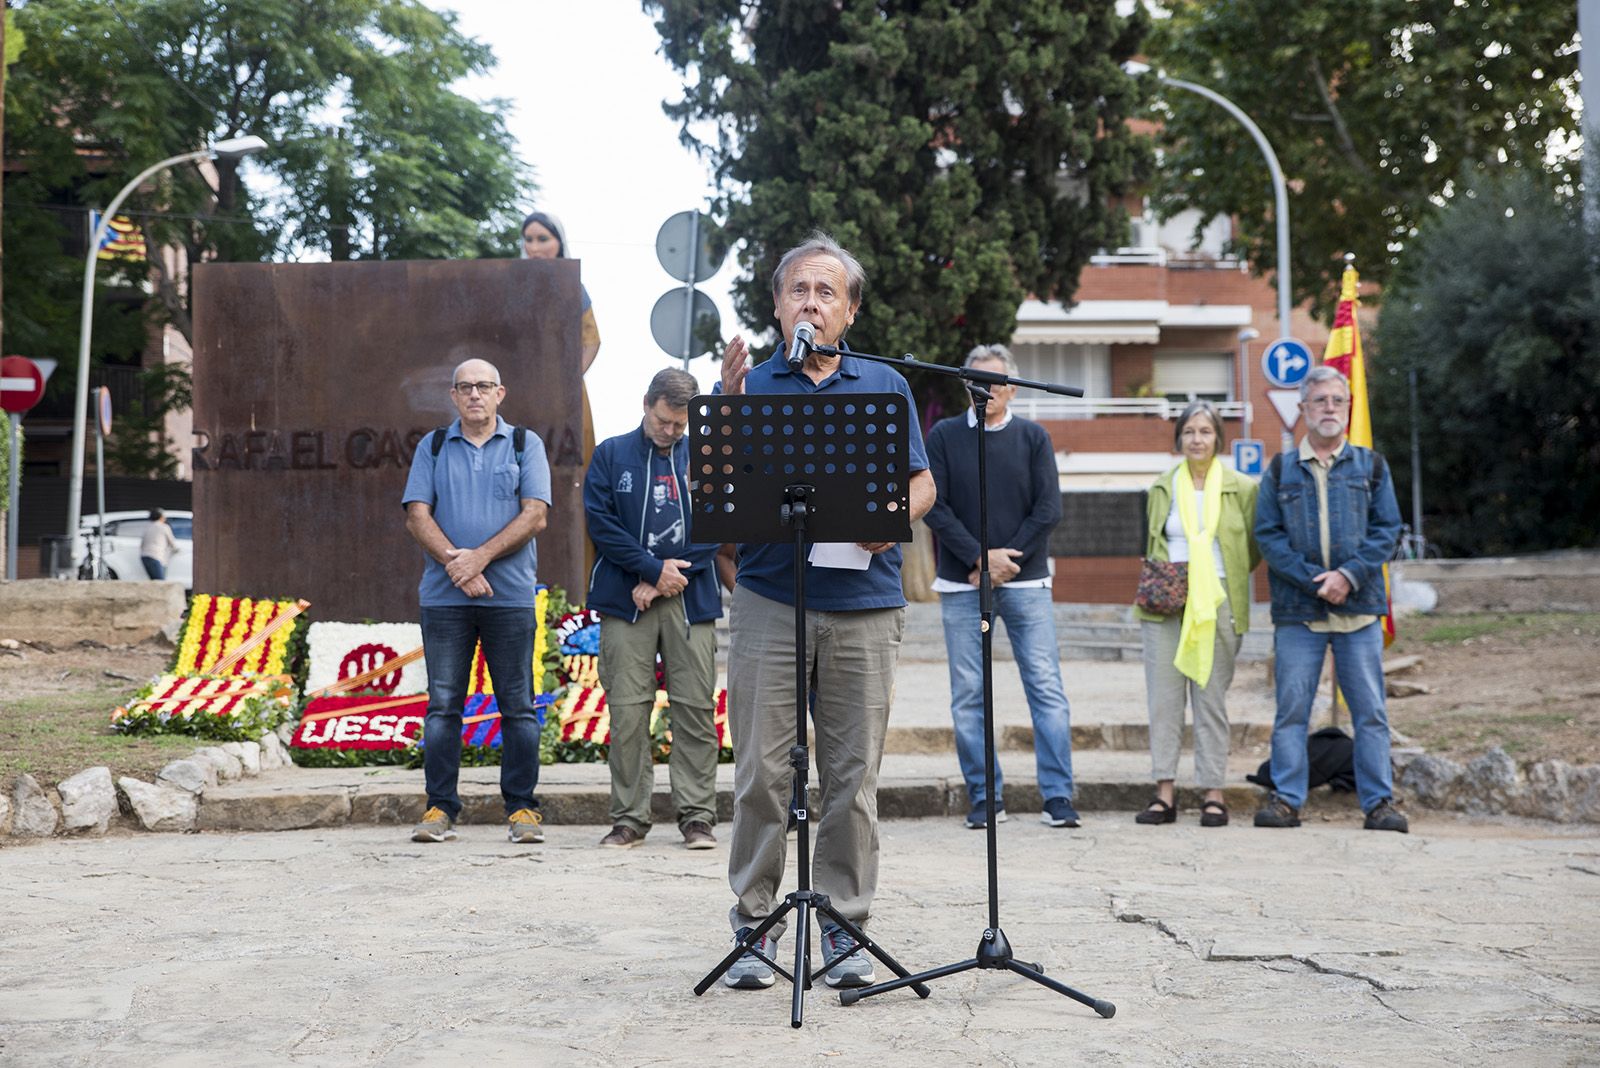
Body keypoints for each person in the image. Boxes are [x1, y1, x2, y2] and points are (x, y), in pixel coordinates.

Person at [716, 232, 936, 991]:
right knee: (760, 775)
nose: (811, 303)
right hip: (771, 599)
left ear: (850, 310)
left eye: (826, 292)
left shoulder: (884, 384)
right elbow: (716, 494)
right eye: (797, 291)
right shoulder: (752, 385)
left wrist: (891, 518)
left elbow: (923, 483)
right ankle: (754, 929)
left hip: (865, 606)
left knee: (851, 776)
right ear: (777, 306)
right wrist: (729, 410)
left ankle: (843, 930)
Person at [923, 344, 1078, 831]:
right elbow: (933, 504)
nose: (986, 390)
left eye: (995, 382)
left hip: (1026, 580)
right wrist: (978, 558)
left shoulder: (1034, 437)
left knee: (1046, 687)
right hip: (962, 582)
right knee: (969, 693)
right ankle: (985, 796)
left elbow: (1048, 509)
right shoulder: (944, 437)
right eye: (976, 381)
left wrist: (1004, 561)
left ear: (1012, 387)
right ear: (964, 385)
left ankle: (1057, 795)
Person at [402, 358, 553, 844]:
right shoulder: (434, 445)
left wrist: (479, 559)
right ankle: (440, 807)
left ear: (500, 393)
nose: (474, 395)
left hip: (509, 598)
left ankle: (522, 809)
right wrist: (457, 564)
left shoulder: (526, 444)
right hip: (445, 602)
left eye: (483, 386)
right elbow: (417, 516)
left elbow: (535, 516)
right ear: (453, 396)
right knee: (444, 706)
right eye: (465, 387)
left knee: (517, 706)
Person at [1253, 365, 1407, 833]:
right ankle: (1286, 800)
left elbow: (1387, 531)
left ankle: (1378, 803)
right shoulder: (1280, 470)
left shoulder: (1372, 466)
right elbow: (1268, 536)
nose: (1328, 409)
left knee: (1371, 713)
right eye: (1319, 401)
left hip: (1357, 611)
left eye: (1337, 401)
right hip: (1300, 613)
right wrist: (1314, 580)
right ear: (1303, 409)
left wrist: (1348, 576)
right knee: (1291, 712)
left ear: (1348, 408)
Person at [583, 367, 722, 851]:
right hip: (626, 600)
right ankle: (628, 819)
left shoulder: (708, 454)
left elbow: (723, 520)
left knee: (695, 711)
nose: (671, 432)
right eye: (664, 421)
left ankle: (698, 817)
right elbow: (600, 524)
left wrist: (664, 580)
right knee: (626, 713)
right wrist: (646, 570)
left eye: (680, 425)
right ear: (647, 404)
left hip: (690, 599)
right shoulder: (611, 453)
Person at [1133, 402, 1260, 828]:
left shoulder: (1242, 487)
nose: (1197, 439)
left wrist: (1217, 582)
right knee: (1165, 700)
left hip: (1218, 605)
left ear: (1218, 438)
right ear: (1179, 439)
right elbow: (1152, 541)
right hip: (1167, 604)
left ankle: (1212, 792)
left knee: (1211, 701)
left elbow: (1253, 550)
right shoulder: (1162, 486)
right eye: (1189, 431)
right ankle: (1164, 792)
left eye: (1205, 431)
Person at [139, 509, 180, 580]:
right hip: (156, 556)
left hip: (144, 556)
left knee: (154, 581)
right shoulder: (164, 527)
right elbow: (172, 543)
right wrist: (177, 550)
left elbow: (142, 544)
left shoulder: (147, 527)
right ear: (161, 517)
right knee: (160, 581)